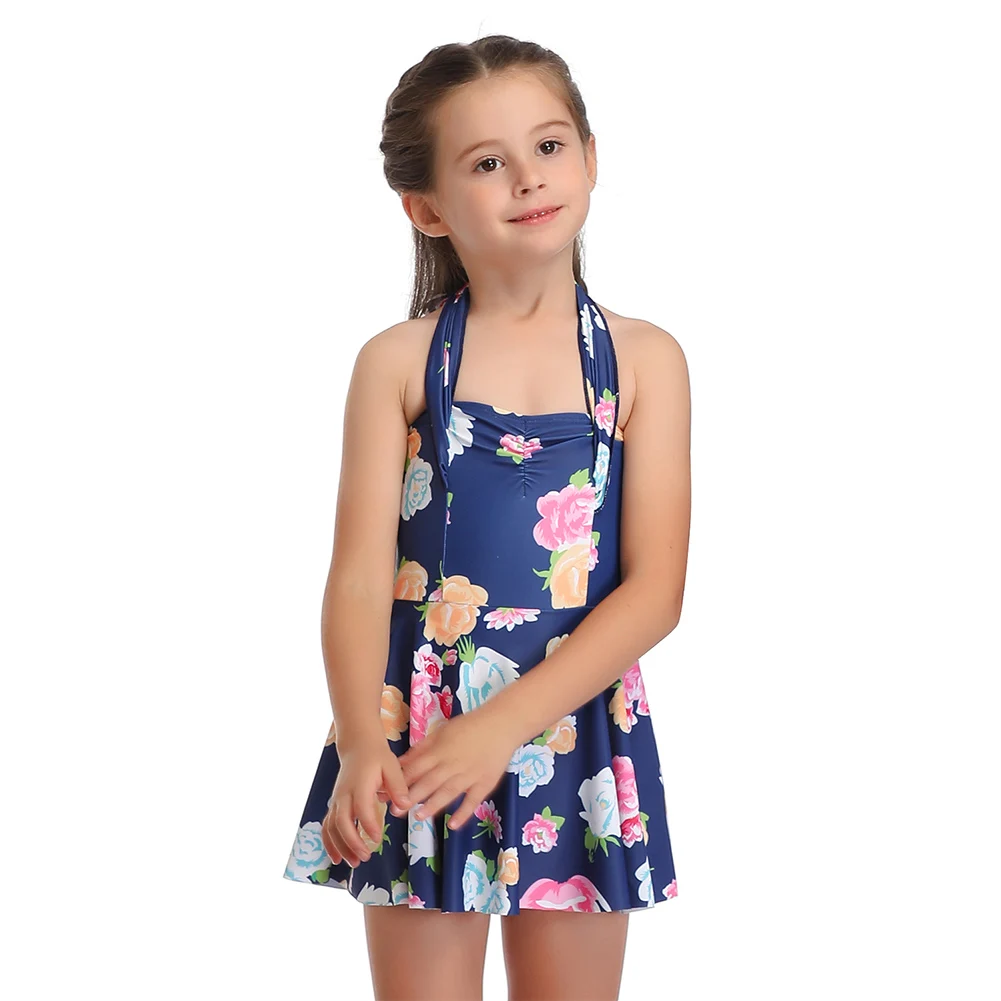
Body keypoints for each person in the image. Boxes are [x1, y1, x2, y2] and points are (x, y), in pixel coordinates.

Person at [283, 33, 690, 1001]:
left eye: (547, 146)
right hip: (418, 734)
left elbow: (655, 591)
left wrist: (503, 725)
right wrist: (361, 740)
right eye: (485, 162)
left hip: (573, 726)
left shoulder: (644, 361)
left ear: (590, 157)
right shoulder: (396, 363)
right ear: (426, 207)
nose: (527, 177)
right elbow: (357, 578)